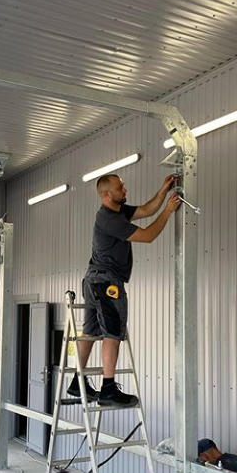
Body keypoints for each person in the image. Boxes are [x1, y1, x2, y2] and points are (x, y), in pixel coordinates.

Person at [66, 173, 181, 407]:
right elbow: (147, 236)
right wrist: (168, 211)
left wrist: (164, 188)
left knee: (90, 331)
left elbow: (147, 209)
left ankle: (77, 381)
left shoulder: (118, 211)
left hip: (93, 280)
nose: (124, 190)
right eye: (120, 188)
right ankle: (108, 389)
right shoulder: (110, 219)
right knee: (112, 333)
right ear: (106, 194)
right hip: (107, 282)